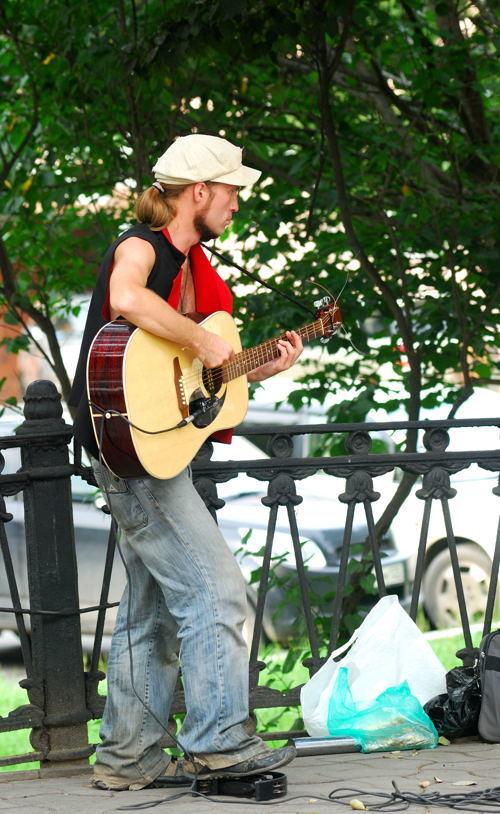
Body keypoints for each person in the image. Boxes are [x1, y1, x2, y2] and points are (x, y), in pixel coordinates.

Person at [69, 133, 303, 791]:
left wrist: (259, 362)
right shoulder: (142, 247)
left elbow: (199, 374)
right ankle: (220, 746)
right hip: (134, 454)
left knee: (153, 610)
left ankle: (128, 760)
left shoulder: (193, 265)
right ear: (197, 192)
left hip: (155, 445)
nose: (236, 202)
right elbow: (127, 298)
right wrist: (200, 336)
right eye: (230, 190)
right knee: (217, 592)